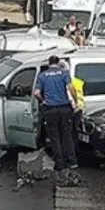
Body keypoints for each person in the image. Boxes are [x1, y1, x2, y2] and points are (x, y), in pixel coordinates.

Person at [33, 55, 79, 186]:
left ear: (49, 63)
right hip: (64, 108)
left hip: (50, 109)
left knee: (55, 138)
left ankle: (59, 164)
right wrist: (75, 102)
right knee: (67, 135)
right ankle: (72, 162)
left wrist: (43, 101)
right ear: (58, 63)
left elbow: (36, 93)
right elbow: (71, 88)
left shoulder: (42, 76)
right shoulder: (64, 73)